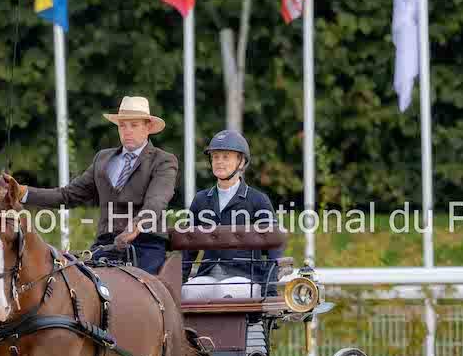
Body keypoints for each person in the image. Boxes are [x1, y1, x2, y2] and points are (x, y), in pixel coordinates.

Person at [20, 96, 178, 274]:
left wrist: (136, 226)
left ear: (147, 127)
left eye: (133, 125)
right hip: (106, 246)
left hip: (145, 245)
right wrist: (23, 192)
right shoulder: (102, 159)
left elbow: (156, 200)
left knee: (133, 287)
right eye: (122, 126)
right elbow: (67, 195)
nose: (127, 131)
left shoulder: (163, 160)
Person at [182, 129, 282, 287]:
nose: (219, 161)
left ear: (241, 162)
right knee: (190, 292)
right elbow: (188, 247)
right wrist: (178, 284)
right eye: (215, 157)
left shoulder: (258, 200)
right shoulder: (200, 200)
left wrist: (268, 288)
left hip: (246, 276)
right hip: (208, 274)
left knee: (224, 290)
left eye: (226, 157)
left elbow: (274, 247)